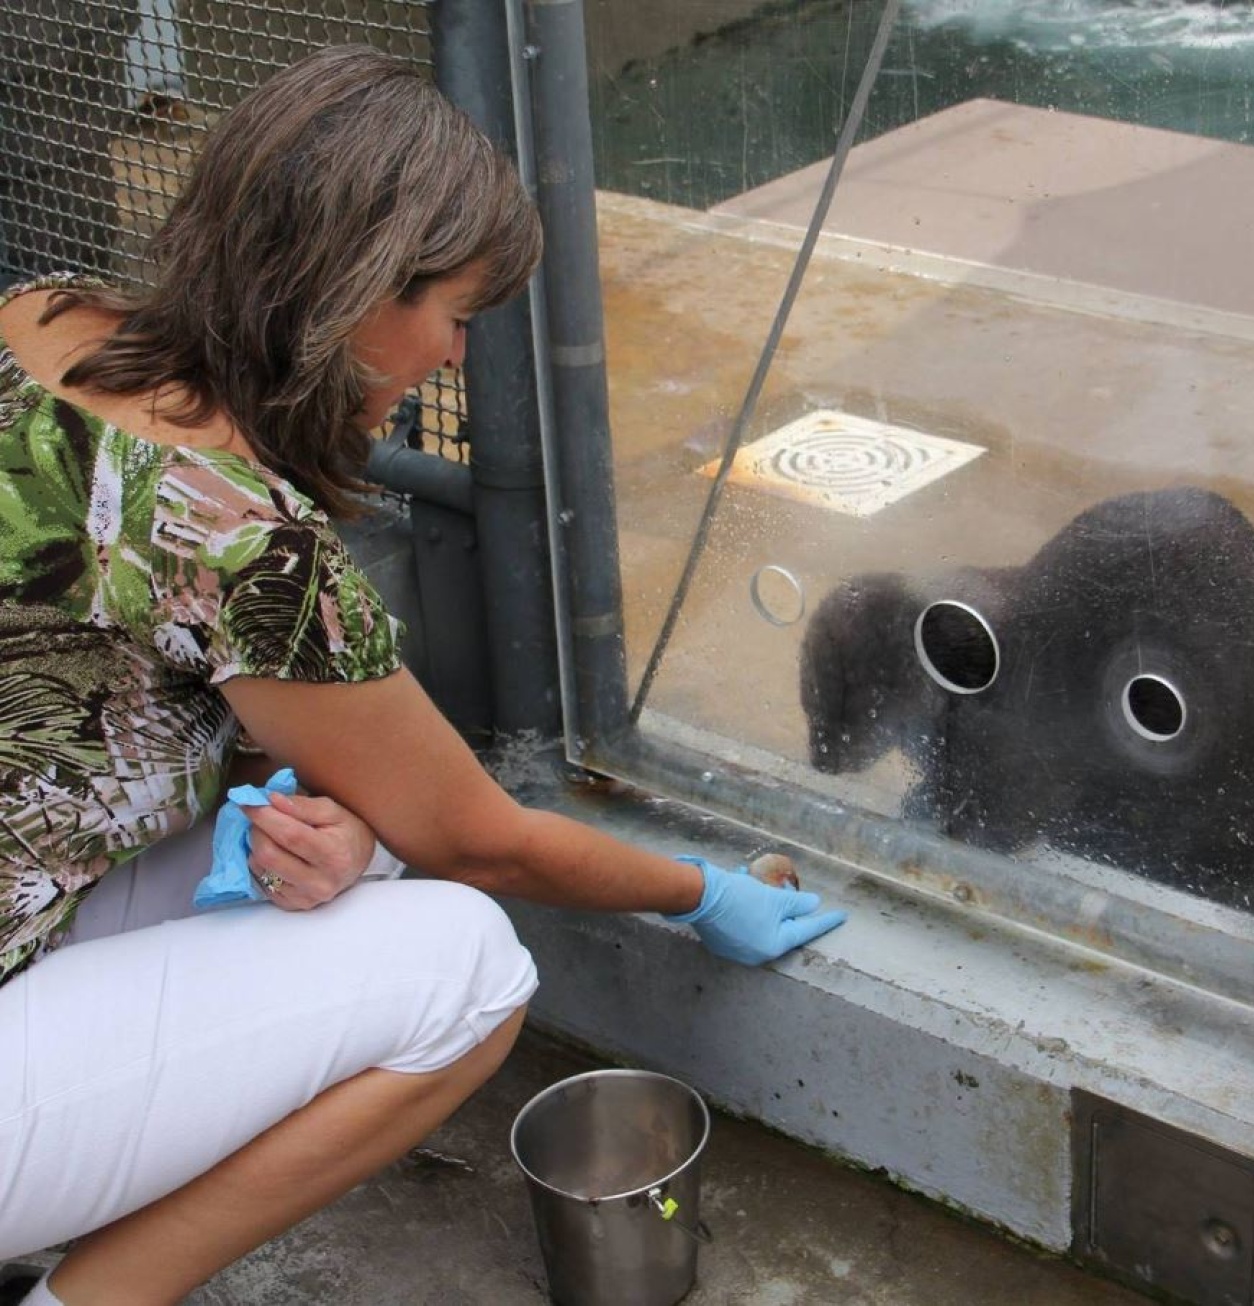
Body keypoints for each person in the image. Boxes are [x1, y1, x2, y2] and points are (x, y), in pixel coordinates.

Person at [0, 44, 847, 1306]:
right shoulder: (248, 542)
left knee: (372, 845)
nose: (453, 359)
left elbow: (136, 674)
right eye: (453, 314)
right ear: (351, 292)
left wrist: (334, 819)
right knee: (466, 963)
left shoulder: (41, 319)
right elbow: (482, 837)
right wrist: (699, 887)